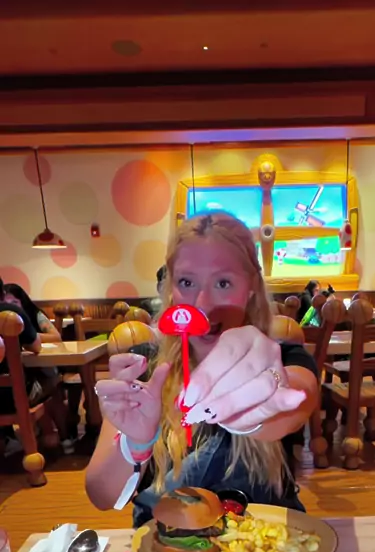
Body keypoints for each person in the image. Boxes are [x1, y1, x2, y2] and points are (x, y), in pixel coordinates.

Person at [85, 212, 319, 526]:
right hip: (166, 548)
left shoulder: (284, 356)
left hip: (265, 547)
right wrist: (134, 444)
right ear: (171, 287)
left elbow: (296, 401)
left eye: (223, 283)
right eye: (187, 282)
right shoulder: (144, 370)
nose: (203, 303)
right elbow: (102, 496)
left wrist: (262, 400)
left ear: (251, 286)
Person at [0, 278, 41, 454]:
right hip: (9, 398)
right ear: (3, 294)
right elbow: (36, 346)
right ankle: (57, 437)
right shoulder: (10, 312)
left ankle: (6, 439)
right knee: (50, 379)